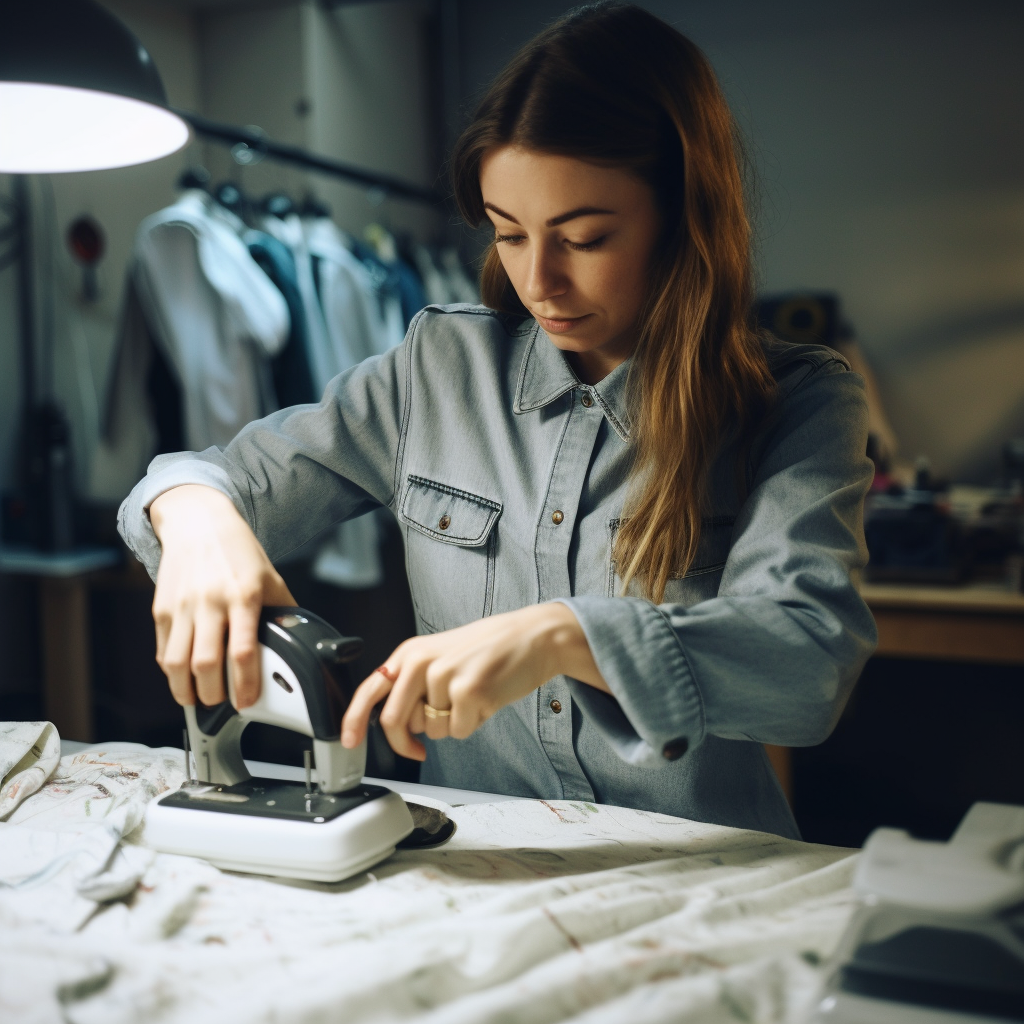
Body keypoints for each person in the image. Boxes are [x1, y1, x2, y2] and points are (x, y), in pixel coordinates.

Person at [118, 2, 877, 839]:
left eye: (583, 238)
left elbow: (807, 663)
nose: (538, 281)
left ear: (685, 217)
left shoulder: (799, 402)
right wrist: (197, 520)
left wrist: (562, 635)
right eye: (509, 234)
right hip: (474, 868)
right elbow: (210, 474)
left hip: (700, 879)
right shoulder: (437, 367)